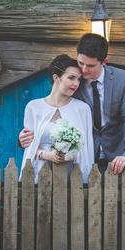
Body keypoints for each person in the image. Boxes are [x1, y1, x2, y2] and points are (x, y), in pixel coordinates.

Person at [19, 33, 125, 175]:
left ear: (104, 61)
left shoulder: (121, 78)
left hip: (115, 156)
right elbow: (50, 111)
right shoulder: (73, 79)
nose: (83, 70)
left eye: (90, 66)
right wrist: (24, 138)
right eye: (81, 63)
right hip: (81, 159)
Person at [20, 55, 94, 183]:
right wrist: (45, 154)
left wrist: (69, 155)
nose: (76, 83)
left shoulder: (83, 109)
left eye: (78, 79)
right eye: (71, 78)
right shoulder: (33, 107)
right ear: (56, 77)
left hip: (72, 177)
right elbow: (29, 144)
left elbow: (86, 147)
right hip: (39, 174)